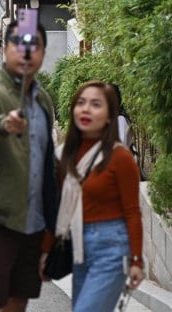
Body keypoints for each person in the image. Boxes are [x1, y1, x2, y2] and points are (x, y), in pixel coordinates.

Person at [0, 20, 57, 312]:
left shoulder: (42, 98)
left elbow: (45, 158)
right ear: (5, 49)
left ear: (43, 52)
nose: (26, 52)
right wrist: (4, 124)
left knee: (19, 300)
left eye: (34, 46)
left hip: (33, 220)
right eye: (19, 44)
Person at [52, 80, 143, 311]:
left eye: (95, 104)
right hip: (78, 245)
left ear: (110, 116)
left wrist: (136, 259)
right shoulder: (65, 155)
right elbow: (58, 204)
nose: (86, 109)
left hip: (111, 246)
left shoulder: (120, 158)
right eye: (81, 103)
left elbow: (132, 212)